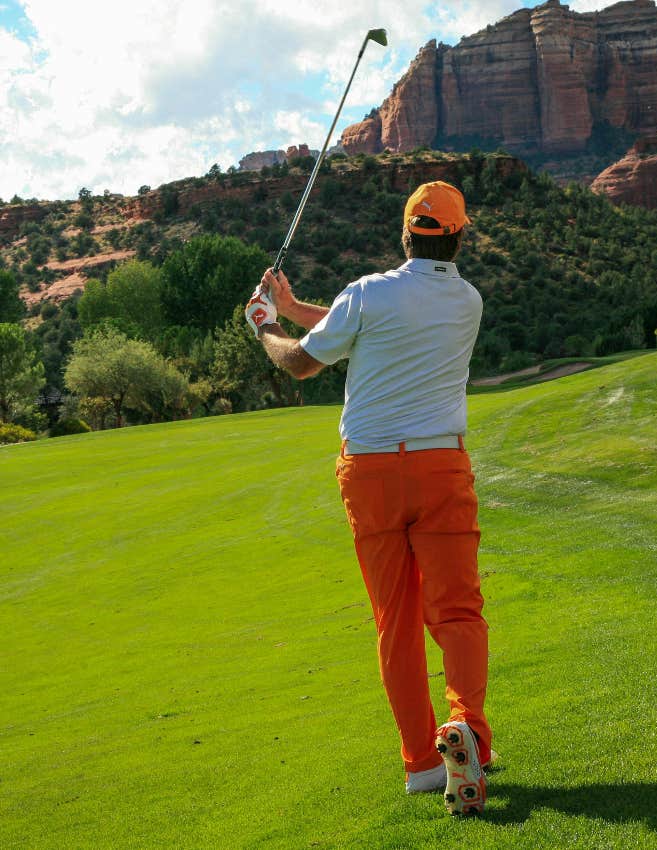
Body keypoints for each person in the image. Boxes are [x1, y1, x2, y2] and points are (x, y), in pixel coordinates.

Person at [245, 181, 491, 816]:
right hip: (442, 466)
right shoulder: (468, 301)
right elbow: (371, 321)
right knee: (458, 611)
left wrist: (268, 325)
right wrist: (299, 306)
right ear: (460, 237)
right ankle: (470, 733)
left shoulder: (366, 294)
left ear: (406, 234)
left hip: (373, 474)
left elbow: (303, 362)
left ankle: (421, 763)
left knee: (397, 621)